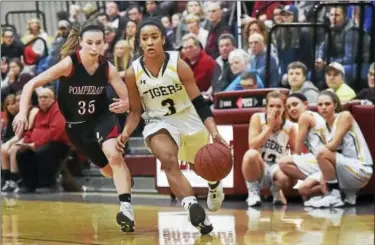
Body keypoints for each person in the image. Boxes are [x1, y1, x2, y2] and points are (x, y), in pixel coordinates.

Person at [12, 20, 134, 232]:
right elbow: (30, 84)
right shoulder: (69, 64)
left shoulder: (108, 68)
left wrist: (126, 103)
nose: (95, 48)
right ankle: (122, 180)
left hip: (101, 118)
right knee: (108, 170)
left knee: (114, 154)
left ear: (105, 43)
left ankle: (126, 208)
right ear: (80, 42)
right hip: (77, 127)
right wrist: (22, 112)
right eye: (90, 43)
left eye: (99, 43)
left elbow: (128, 101)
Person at [116, 18, 229, 234]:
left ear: (162, 39)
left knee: (202, 167)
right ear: (139, 42)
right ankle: (192, 207)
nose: (150, 42)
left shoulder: (178, 64)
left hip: (189, 119)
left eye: (154, 37)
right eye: (145, 38)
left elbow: (199, 102)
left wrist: (214, 132)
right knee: (168, 160)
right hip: (157, 122)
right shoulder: (133, 72)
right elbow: (136, 111)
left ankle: (214, 184)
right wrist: (125, 134)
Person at [308, 91, 373, 208]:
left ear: (335, 105)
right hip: (344, 168)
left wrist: (322, 167)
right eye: (320, 104)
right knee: (304, 189)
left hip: (360, 169)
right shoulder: (323, 127)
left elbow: (332, 146)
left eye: (327, 104)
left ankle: (334, 194)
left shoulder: (344, 116)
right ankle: (347, 196)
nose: (323, 107)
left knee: (321, 152)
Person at [242, 91, 297, 207]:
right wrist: (269, 127)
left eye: (278, 106)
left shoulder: (290, 127)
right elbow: (252, 145)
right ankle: (253, 193)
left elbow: (296, 153)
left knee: (284, 178)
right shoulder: (257, 118)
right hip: (259, 165)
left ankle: (276, 190)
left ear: (284, 109)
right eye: (271, 106)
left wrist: (288, 167)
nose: (275, 109)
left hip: (277, 166)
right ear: (266, 108)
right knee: (250, 154)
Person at [279, 93, 329, 206]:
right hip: (323, 160)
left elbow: (298, 150)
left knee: (283, 162)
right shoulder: (313, 115)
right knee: (304, 190)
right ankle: (326, 184)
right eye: (288, 107)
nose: (292, 108)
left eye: (295, 104)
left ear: (306, 104)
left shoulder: (305, 116)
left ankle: (325, 181)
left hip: (324, 159)